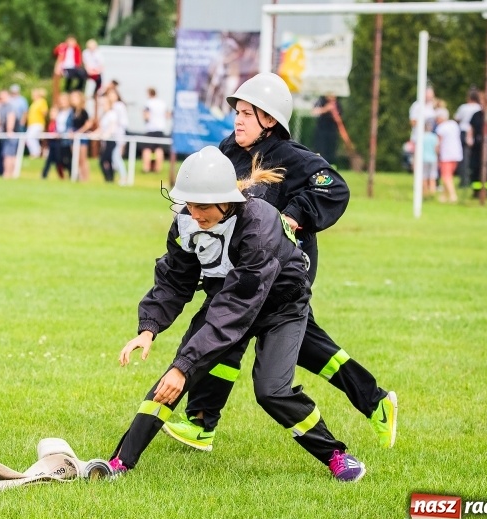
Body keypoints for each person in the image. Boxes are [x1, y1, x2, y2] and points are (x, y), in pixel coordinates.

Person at [162, 72, 397, 453]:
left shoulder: (293, 158)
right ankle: (375, 401)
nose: (237, 120)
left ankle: (201, 421)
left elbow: (334, 188)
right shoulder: (228, 150)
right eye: (237, 112)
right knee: (302, 345)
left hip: (284, 271)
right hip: (246, 266)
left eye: (247, 114)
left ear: (269, 121)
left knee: (229, 327)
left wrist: (291, 214)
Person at [105, 146, 366, 482]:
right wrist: (148, 328)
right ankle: (119, 464)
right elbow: (175, 278)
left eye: (202, 206)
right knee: (171, 379)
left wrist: (185, 366)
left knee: (271, 391)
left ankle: (336, 455)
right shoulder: (186, 221)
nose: (194, 214)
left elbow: (239, 305)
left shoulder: (259, 224)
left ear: (225, 200)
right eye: (189, 204)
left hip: (281, 308)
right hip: (229, 301)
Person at [454, 89, 482, 188]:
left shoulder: (464, 107)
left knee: (464, 159)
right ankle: (473, 178)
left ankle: (464, 180)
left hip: (464, 132)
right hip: (476, 134)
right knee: (474, 158)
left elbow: (457, 118)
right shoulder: (479, 108)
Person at [434, 107, 462, 203]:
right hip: (456, 153)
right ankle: (444, 196)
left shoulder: (441, 127)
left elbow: (439, 142)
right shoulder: (454, 124)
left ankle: (452, 195)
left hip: (446, 154)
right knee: (449, 175)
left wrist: (436, 152)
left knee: (446, 176)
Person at [141, 87, 170, 173]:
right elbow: (167, 115)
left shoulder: (148, 103)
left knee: (147, 149)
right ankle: (158, 168)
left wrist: (145, 119)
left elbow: (146, 116)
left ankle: (146, 168)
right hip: (160, 129)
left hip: (151, 128)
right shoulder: (162, 103)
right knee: (158, 149)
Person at [311, 93, 341, 167]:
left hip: (332, 131)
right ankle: (319, 166)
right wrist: (325, 109)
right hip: (321, 130)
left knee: (331, 150)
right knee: (321, 149)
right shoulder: (320, 101)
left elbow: (340, 118)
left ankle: (331, 166)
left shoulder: (337, 104)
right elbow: (314, 112)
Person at [69, 90, 92, 181]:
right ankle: (79, 176)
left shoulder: (83, 112)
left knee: (83, 159)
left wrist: (78, 132)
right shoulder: (72, 111)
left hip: (82, 137)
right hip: (74, 138)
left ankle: (85, 178)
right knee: (76, 159)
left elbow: (88, 124)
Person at [25, 89, 49, 159]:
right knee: (30, 138)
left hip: (38, 123)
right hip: (32, 124)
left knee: (30, 137)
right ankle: (35, 152)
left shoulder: (41, 101)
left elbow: (44, 112)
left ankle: (36, 152)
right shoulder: (34, 103)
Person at [422, 121, 439, 198]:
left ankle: (425, 192)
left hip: (423, 159)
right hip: (433, 158)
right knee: (432, 176)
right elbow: (436, 149)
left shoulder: (421, 137)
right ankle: (432, 192)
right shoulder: (434, 137)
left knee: (424, 176)